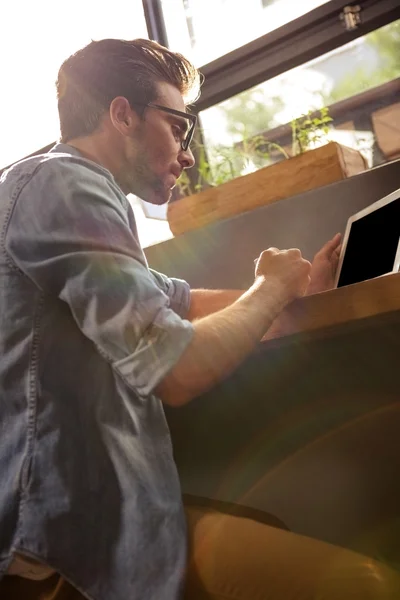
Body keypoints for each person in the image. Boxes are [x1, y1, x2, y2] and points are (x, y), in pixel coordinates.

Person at [0, 38, 398, 600]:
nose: (186, 153)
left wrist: (293, 291)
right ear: (122, 114)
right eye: (178, 127)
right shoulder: (64, 182)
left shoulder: (65, 191)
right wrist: (269, 287)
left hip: (107, 520)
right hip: (65, 544)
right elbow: (176, 367)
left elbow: (175, 298)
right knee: (364, 586)